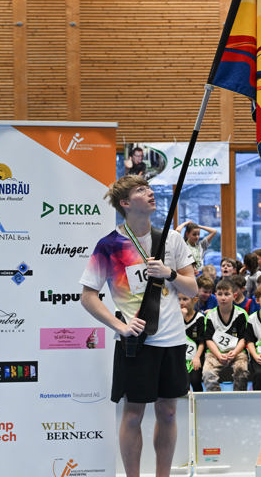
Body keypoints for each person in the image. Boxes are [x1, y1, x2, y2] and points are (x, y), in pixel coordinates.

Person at [79, 175, 197, 477]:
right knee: (133, 415)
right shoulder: (109, 245)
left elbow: (193, 288)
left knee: (168, 412)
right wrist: (119, 326)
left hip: (172, 341)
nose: (150, 193)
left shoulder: (171, 239)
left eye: (149, 188)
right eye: (141, 191)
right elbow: (88, 296)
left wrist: (169, 273)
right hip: (137, 344)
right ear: (125, 203)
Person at [202, 278, 249, 391]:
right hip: (215, 353)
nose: (223, 298)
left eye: (227, 294)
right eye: (220, 294)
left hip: (237, 352)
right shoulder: (210, 315)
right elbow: (208, 339)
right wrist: (219, 355)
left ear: (234, 296)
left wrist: (235, 352)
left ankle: (239, 398)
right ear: (215, 296)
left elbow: (243, 338)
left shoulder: (241, 314)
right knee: (207, 374)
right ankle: (215, 398)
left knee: (242, 371)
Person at [180, 293, 206, 392]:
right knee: (182, 382)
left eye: (185, 299)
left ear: (194, 300)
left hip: (195, 356)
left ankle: (199, 400)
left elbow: (202, 342)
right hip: (179, 357)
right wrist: (180, 317)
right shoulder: (175, 317)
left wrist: (197, 357)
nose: (181, 302)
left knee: (195, 380)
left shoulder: (200, 318)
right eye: (179, 299)